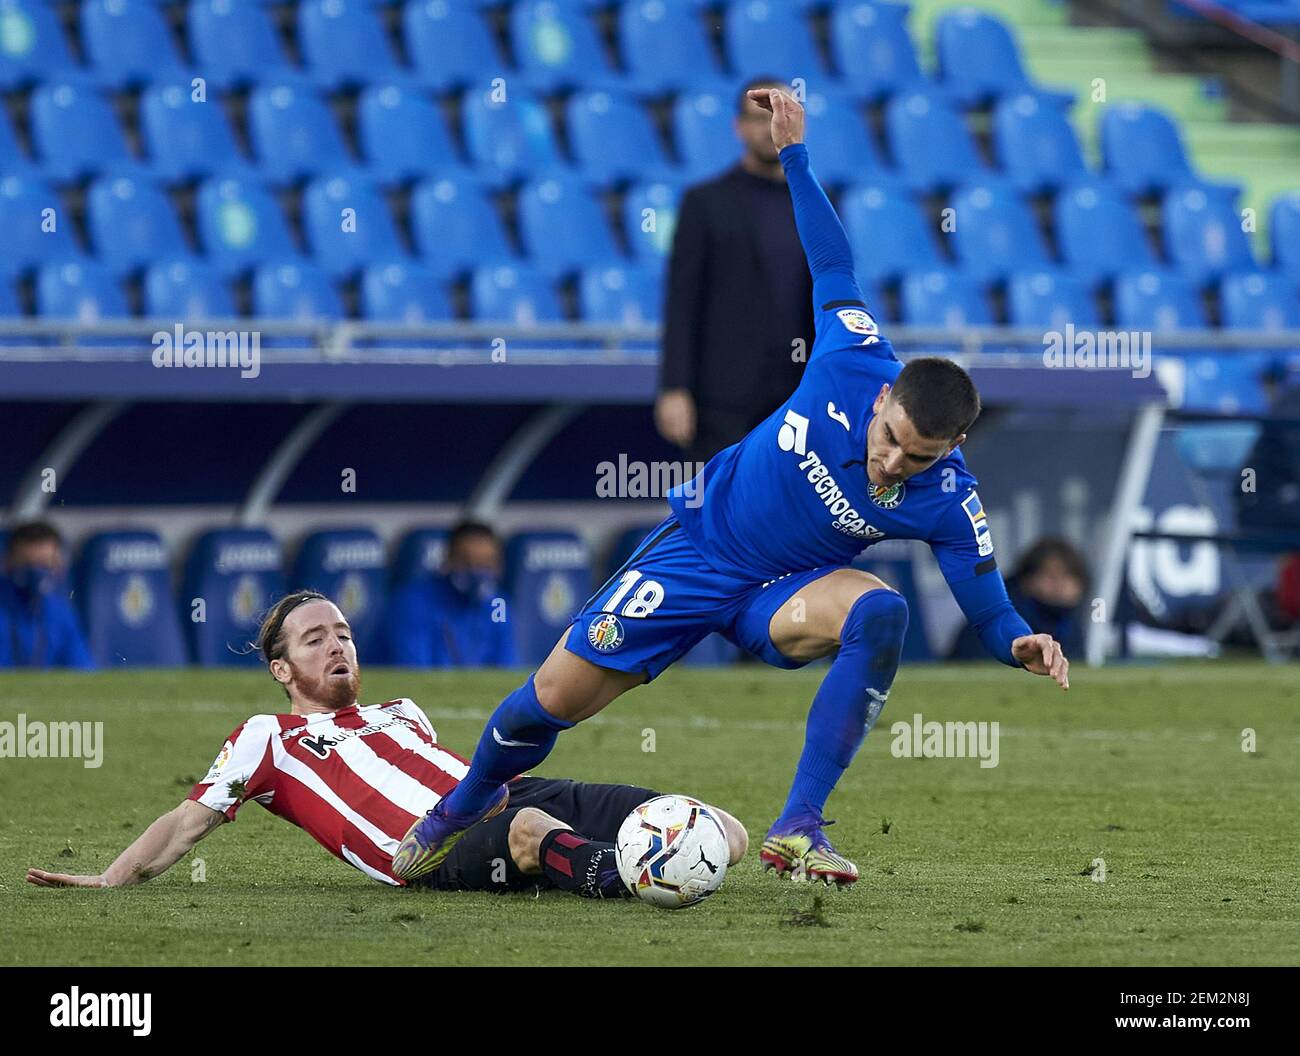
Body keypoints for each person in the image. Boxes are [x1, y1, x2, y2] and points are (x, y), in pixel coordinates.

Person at [391, 88, 1069, 891]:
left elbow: (987, 609)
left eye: (917, 460)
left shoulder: (948, 499)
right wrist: (795, 155)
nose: (892, 466)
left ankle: (798, 827)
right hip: (698, 553)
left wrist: (1020, 640)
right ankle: (461, 805)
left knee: (881, 611)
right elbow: (832, 259)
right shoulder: (853, 354)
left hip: (781, 594)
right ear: (883, 400)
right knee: (548, 702)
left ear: (951, 448)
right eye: (889, 442)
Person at [25, 591, 747, 897]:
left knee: (720, 826)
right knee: (529, 835)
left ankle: (718, 858)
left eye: (342, 632)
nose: (336, 645)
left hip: (506, 793)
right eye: (315, 639)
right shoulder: (265, 740)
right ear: (282, 669)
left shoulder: (404, 711)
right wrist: (110, 877)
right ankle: (629, 881)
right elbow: (185, 825)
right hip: (425, 848)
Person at [656, 77, 814, 466]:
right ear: (739, 126)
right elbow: (682, 299)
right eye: (759, 118)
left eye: (780, 115)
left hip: (796, 396)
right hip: (721, 399)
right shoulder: (705, 203)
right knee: (715, 509)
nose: (769, 127)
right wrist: (674, 386)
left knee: (784, 514)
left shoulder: (815, 205)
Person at [383, 520, 516, 667]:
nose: (476, 571)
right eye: (466, 562)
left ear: (499, 566)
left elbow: (507, 669)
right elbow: (413, 675)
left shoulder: (499, 604)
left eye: (486, 563)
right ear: (448, 560)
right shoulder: (412, 603)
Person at [948, 538, 1089, 660]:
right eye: (1050, 576)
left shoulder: (1071, 624)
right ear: (1026, 581)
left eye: (1069, 577)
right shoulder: (998, 618)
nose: (1060, 585)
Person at [0, 520, 94, 670]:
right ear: (8, 562)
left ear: (59, 564)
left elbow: (82, 669)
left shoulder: (59, 611)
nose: (36, 572)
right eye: (27, 564)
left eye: (44, 564)